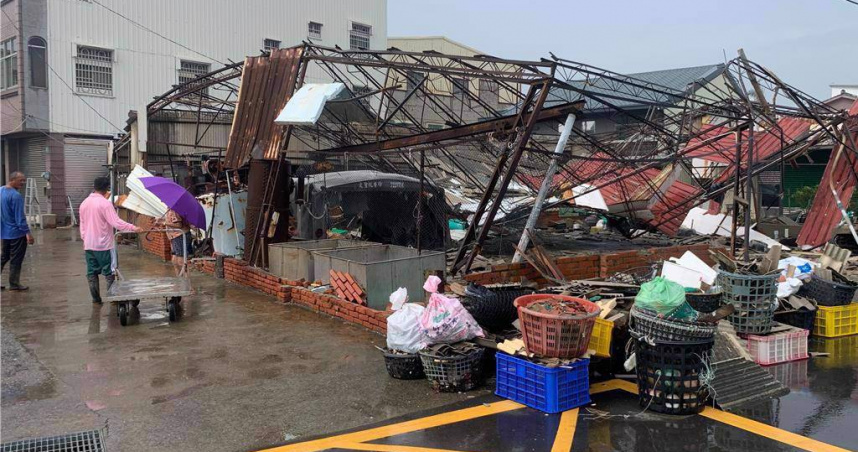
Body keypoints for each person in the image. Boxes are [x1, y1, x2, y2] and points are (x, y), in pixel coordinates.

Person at [79, 176, 141, 304]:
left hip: (89, 245)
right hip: (104, 245)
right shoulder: (105, 204)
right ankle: (113, 298)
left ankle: (96, 299)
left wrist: (85, 239)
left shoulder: (84, 203)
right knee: (109, 273)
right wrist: (134, 228)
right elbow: (116, 222)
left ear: (94, 187)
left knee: (91, 273)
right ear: (107, 188)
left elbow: (82, 225)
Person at [1, 171, 34, 291]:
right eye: (21, 180)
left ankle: (13, 283)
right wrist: (28, 233)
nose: (23, 183)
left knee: (4, 256)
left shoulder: (1, 191)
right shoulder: (15, 196)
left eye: (24, 180)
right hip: (16, 233)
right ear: (12, 180)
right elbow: (20, 218)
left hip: (4, 232)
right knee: (16, 259)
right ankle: (14, 283)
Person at [163, 209, 192, 277]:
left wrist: (164, 223)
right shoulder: (169, 209)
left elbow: (179, 225)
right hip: (173, 237)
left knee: (181, 260)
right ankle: (179, 278)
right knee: (175, 260)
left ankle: (187, 281)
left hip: (179, 236)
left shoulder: (175, 210)